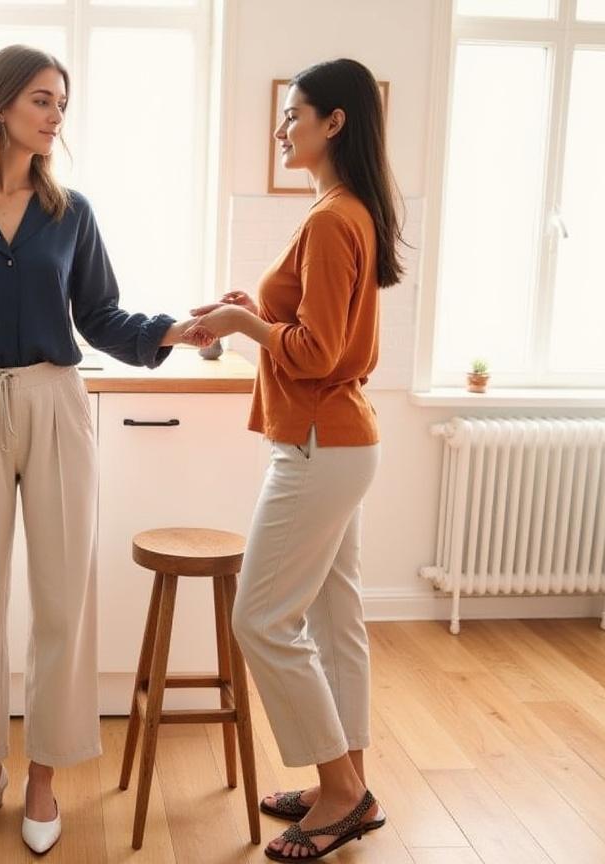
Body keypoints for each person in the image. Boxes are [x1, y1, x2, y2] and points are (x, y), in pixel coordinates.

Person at [0, 44, 208, 855]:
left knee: (63, 599)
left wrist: (174, 329)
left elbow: (100, 315)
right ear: (2, 106)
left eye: (61, 103)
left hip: (57, 403)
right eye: (42, 100)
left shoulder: (72, 213)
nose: (54, 115)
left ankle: (45, 773)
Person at [182, 57, 404, 862]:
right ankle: (351, 786)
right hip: (341, 441)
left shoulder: (330, 218)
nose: (282, 128)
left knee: (262, 617)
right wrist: (254, 310)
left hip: (319, 445)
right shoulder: (347, 213)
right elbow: (316, 337)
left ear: (334, 122)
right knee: (334, 619)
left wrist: (245, 330)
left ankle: (340, 791)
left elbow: (314, 353)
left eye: (294, 114)